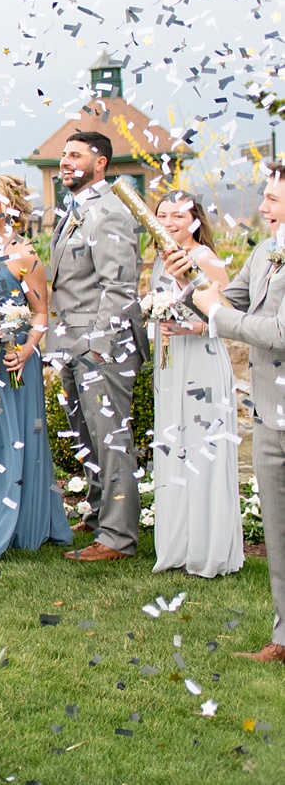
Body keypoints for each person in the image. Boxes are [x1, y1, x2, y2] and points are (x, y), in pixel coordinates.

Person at [170, 165, 285, 662]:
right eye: (265, 195)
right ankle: (283, 638)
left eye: (274, 198)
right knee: (278, 533)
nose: (262, 206)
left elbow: (278, 332)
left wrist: (220, 316)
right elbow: (226, 301)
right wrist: (189, 282)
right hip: (268, 414)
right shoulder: (264, 251)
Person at [47, 130, 147, 563]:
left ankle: (119, 537)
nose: (66, 162)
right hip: (72, 343)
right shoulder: (72, 212)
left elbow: (120, 286)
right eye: (63, 156)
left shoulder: (109, 212)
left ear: (100, 162)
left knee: (110, 439)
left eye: (75, 155)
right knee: (87, 438)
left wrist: (97, 346)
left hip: (103, 346)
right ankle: (96, 516)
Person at [0, 175, 72, 560]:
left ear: (12, 206)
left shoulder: (26, 254)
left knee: (16, 437)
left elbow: (42, 313)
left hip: (13, 360)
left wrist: (26, 351)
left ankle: (16, 528)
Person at [145, 190, 243, 577]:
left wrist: (187, 326)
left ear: (196, 220)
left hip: (201, 362)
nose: (170, 223)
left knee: (202, 447)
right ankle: (178, 545)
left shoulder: (204, 258)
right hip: (171, 364)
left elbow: (228, 317)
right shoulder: (160, 258)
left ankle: (209, 548)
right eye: (163, 215)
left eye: (178, 216)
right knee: (175, 444)